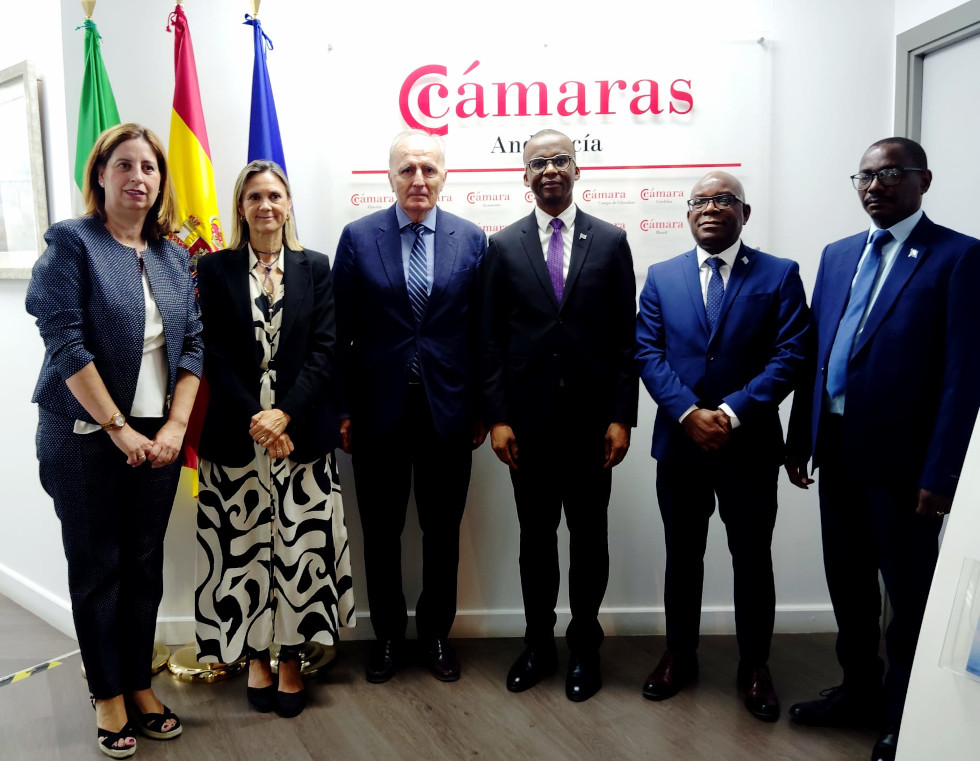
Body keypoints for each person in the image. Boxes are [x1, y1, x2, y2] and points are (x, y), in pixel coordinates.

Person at [784, 137, 980, 760]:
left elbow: (963, 376)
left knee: (909, 593)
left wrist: (942, 472)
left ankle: (903, 713)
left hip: (906, 466)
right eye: (865, 177)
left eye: (891, 174)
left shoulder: (959, 257)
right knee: (848, 585)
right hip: (837, 450)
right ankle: (858, 691)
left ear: (924, 179)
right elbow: (817, 355)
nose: (874, 186)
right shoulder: (838, 254)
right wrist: (800, 438)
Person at [27, 123, 202, 758]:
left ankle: (139, 684)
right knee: (98, 568)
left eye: (149, 167)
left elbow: (193, 346)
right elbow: (65, 342)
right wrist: (118, 428)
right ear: (100, 175)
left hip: (157, 442)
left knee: (144, 565)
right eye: (123, 165)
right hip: (85, 437)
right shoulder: (73, 242)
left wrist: (175, 426)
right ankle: (107, 694)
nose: (137, 177)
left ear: (161, 181)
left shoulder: (173, 256)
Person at [635, 171, 810, 721]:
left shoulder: (779, 274)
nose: (711, 208)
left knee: (752, 559)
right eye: (700, 201)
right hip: (681, 444)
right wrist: (689, 412)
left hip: (749, 446)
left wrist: (731, 413)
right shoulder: (662, 276)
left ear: (745, 213)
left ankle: (755, 666)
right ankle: (678, 655)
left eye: (724, 200)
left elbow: (791, 354)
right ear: (688, 214)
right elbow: (647, 352)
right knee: (682, 557)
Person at [481, 129, 638, 702]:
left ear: (578, 169)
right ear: (524, 175)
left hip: (593, 427)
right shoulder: (503, 246)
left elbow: (625, 339)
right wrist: (498, 417)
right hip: (529, 427)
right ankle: (538, 645)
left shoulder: (612, 241)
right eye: (539, 163)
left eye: (560, 160)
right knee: (536, 543)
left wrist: (622, 416)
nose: (550, 169)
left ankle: (585, 648)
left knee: (590, 542)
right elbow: (491, 340)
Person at [194, 160, 355, 718]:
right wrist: (257, 418)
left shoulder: (316, 266)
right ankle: (254, 658)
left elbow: (327, 349)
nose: (266, 206)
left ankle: (291, 658)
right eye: (254, 197)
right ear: (241, 207)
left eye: (275, 196)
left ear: (289, 205)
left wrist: (283, 415)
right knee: (241, 553)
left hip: (301, 434)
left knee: (298, 551)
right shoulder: (213, 269)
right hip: (236, 437)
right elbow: (211, 351)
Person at [333, 130, 486, 683]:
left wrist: (482, 408)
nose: (418, 179)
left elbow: (482, 333)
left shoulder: (471, 239)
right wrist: (343, 408)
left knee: (442, 533)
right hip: (378, 412)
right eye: (407, 169)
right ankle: (388, 637)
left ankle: (437, 636)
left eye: (428, 169)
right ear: (390, 176)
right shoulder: (358, 237)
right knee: (381, 532)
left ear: (444, 176)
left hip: (449, 411)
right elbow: (339, 332)